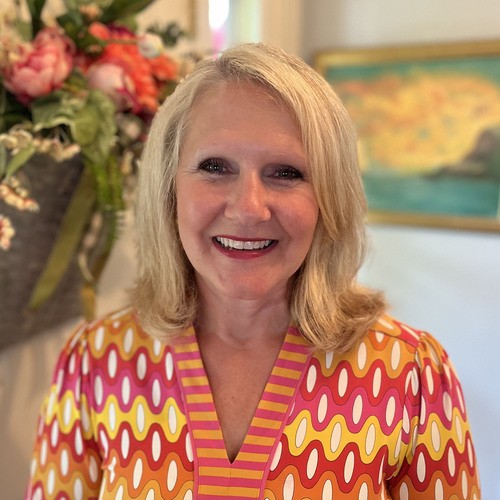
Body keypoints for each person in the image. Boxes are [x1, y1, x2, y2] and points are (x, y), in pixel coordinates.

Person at [25, 43, 480, 499]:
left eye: (286, 173)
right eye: (215, 167)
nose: (248, 208)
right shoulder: (95, 363)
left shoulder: (411, 374)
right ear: (169, 189)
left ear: (330, 198)